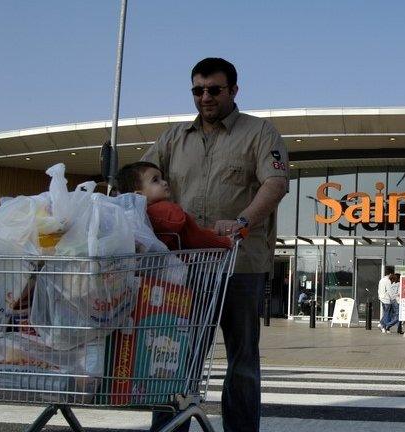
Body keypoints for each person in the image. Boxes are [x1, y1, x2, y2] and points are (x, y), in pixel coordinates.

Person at [144, 58, 289, 432]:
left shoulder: (260, 133)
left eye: (214, 89)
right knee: (175, 357)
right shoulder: (172, 138)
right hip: (185, 268)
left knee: (242, 361)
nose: (205, 97)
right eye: (198, 90)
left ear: (234, 91)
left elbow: (275, 184)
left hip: (241, 266)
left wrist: (242, 223)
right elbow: (139, 181)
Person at [115, 161, 233, 250]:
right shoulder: (169, 211)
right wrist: (226, 241)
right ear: (139, 195)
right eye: (155, 180)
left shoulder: (133, 219)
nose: (164, 182)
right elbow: (195, 238)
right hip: (182, 269)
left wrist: (212, 232)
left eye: (162, 178)